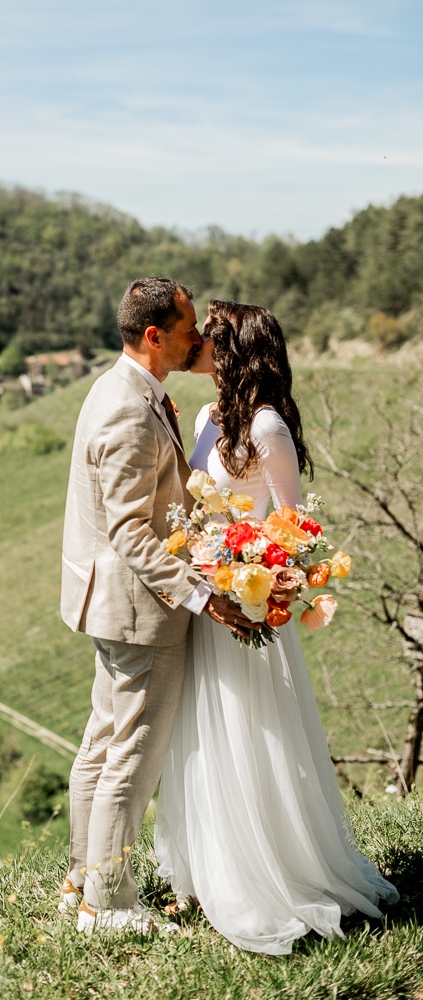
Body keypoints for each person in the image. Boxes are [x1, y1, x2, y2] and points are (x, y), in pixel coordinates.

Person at [154, 299, 399, 954]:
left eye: (211, 334)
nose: (198, 341)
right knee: (207, 732)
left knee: (253, 735)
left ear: (233, 349)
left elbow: (292, 531)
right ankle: (214, 867)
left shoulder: (266, 428)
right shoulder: (207, 416)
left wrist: (251, 572)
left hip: (252, 605)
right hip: (210, 598)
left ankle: (275, 875)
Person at [59, 278, 253, 935]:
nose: (197, 340)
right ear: (153, 335)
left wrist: (203, 361)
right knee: (130, 758)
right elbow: (130, 531)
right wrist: (202, 597)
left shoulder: (125, 387)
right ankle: (105, 905)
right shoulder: (126, 406)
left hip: (110, 603)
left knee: (100, 744)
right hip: (139, 610)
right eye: (186, 331)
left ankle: (81, 879)